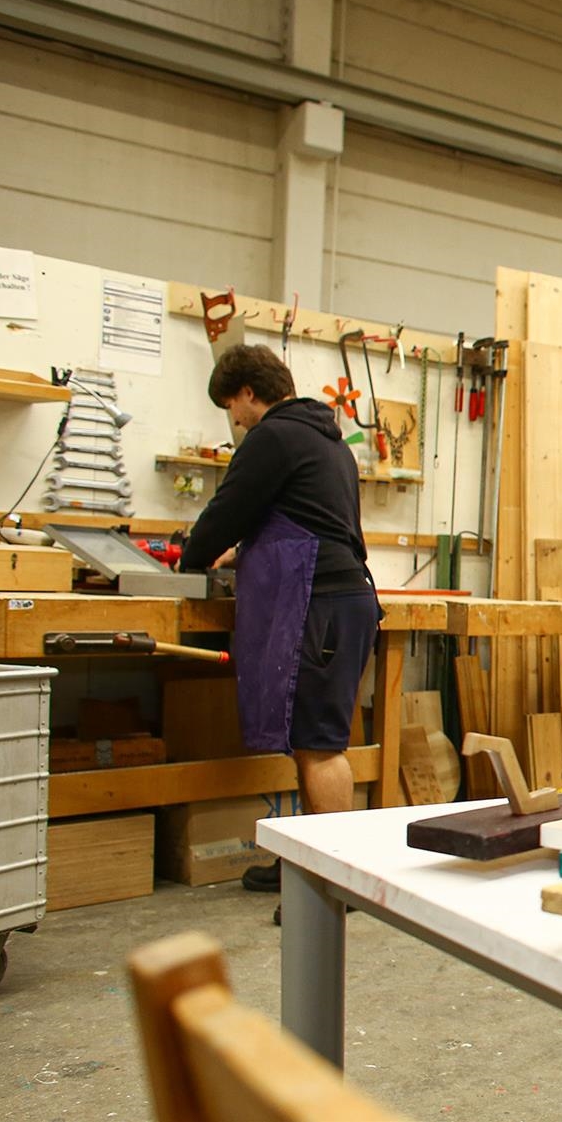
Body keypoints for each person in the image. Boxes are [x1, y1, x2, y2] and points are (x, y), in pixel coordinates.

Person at [180, 344, 380, 904]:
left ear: (248, 392)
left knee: (320, 744)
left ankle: (331, 885)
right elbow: (304, 518)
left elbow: (229, 509)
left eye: (231, 407)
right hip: (338, 599)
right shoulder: (324, 437)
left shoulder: (273, 436)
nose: (235, 421)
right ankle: (305, 862)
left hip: (323, 603)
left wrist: (192, 557)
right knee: (304, 738)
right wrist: (242, 554)